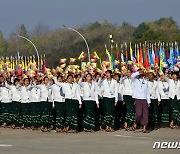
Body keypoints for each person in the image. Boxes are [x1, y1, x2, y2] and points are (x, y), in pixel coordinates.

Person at [131, 69, 151, 133]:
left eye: (142, 74)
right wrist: (138, 72)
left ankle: (144, 127)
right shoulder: (135, 80)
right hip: (138, 98)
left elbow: (147, 91)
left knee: (145, 114)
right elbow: (132, 76)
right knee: (139, 113)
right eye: (140, 73)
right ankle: (135, 123)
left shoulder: (146, 81)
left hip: (144, 99)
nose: (141, 75)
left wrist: (149, 101)